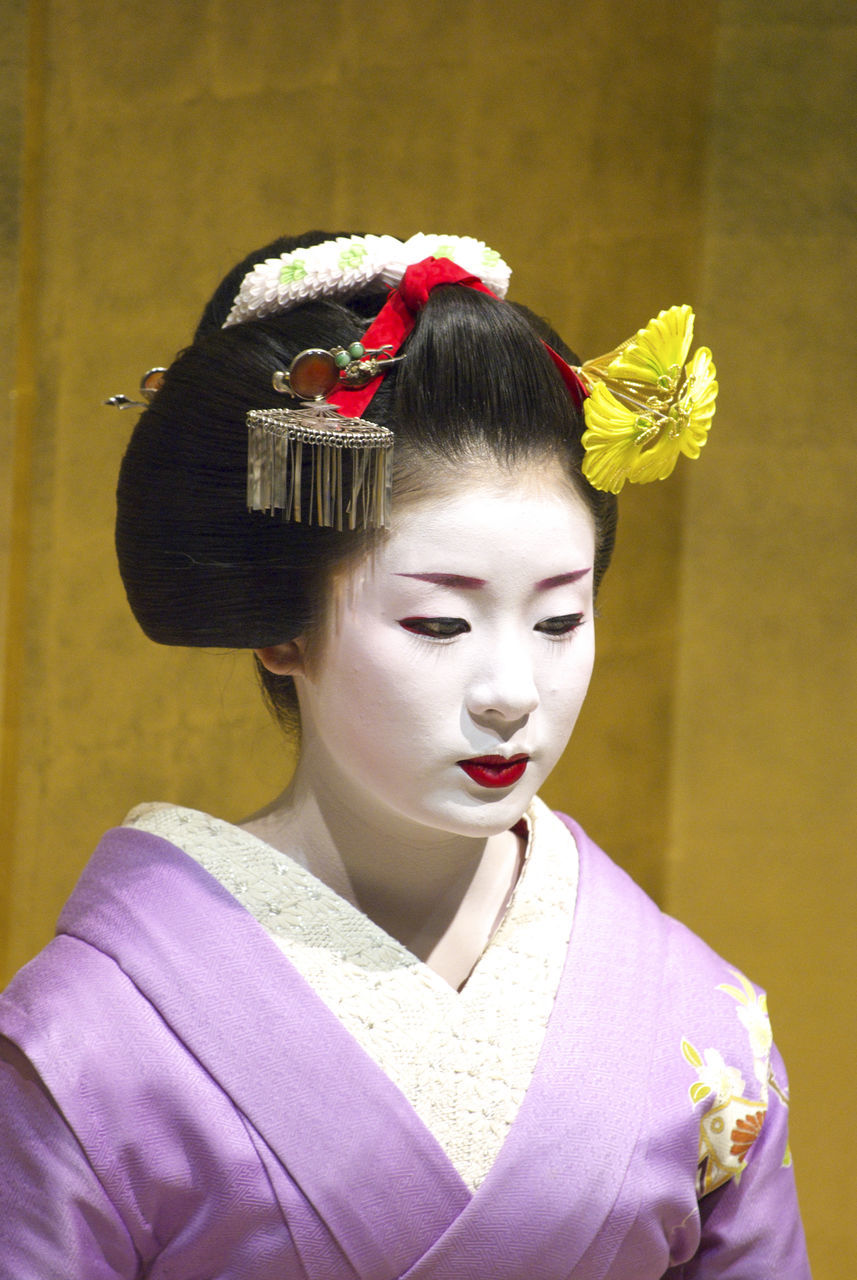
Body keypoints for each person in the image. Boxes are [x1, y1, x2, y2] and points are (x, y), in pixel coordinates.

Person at [0, 232, 810, 1278]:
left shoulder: (699, 1026)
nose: (512, 689)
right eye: (438, 624)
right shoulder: (93, 1042)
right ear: (282, 625)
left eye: (559, 620)